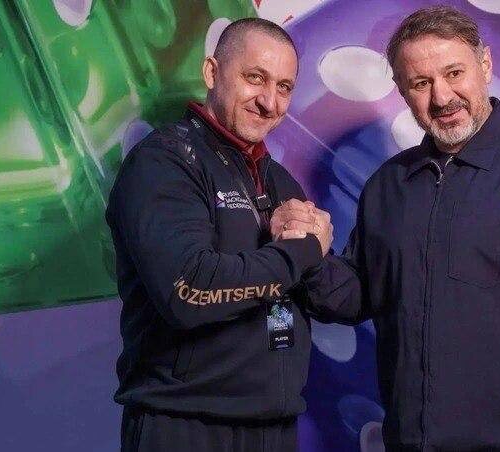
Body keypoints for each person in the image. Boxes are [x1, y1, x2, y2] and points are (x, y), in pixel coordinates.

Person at [272, 6, 500, 452]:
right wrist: (309, 255)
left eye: (454, 73)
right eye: (421, 83)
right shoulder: (387, 186)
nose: (442, 96)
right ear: (402, 90)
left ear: (485, 65)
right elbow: (358, 295)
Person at [105, 18, 333, 452]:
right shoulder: (164, 162)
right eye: (255, 78)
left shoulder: (278, 180)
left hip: (273, 426)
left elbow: (333, 295)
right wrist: (303, 251)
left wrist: (325, 255)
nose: (269, 101)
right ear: (212, 72)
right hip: (186, 424)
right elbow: (189, 291)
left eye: (284, 87)